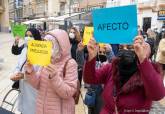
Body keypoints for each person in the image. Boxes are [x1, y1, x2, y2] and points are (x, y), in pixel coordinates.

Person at [83, 36, 165, 114]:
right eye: (121, 48)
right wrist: (91, 57)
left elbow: (158, 94)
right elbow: (90, 79)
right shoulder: (111, 67)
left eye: (129, 47)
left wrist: (143, 59)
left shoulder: (147, 70)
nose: (125, 50)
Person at [24, 29, 78, 114]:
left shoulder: (70, 63)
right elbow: (38, 84)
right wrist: (31, 72)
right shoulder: (47, 60)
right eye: (46, 44)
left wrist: (55, 77)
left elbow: (69, 92)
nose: (48, 48)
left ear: (60, 45)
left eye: (51, 45)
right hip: (41, 109)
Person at [10, 28, 42, 114]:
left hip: (34, 90)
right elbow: (18, 66)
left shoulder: (41, 54)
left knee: (32, 110)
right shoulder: (24, 50)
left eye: (31, 36)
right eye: (26, 36)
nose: (28, 38)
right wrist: (15, 74)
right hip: (23, 88)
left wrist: (24, 76)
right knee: (23, 109)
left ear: (36, 37)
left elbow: (41, 75)